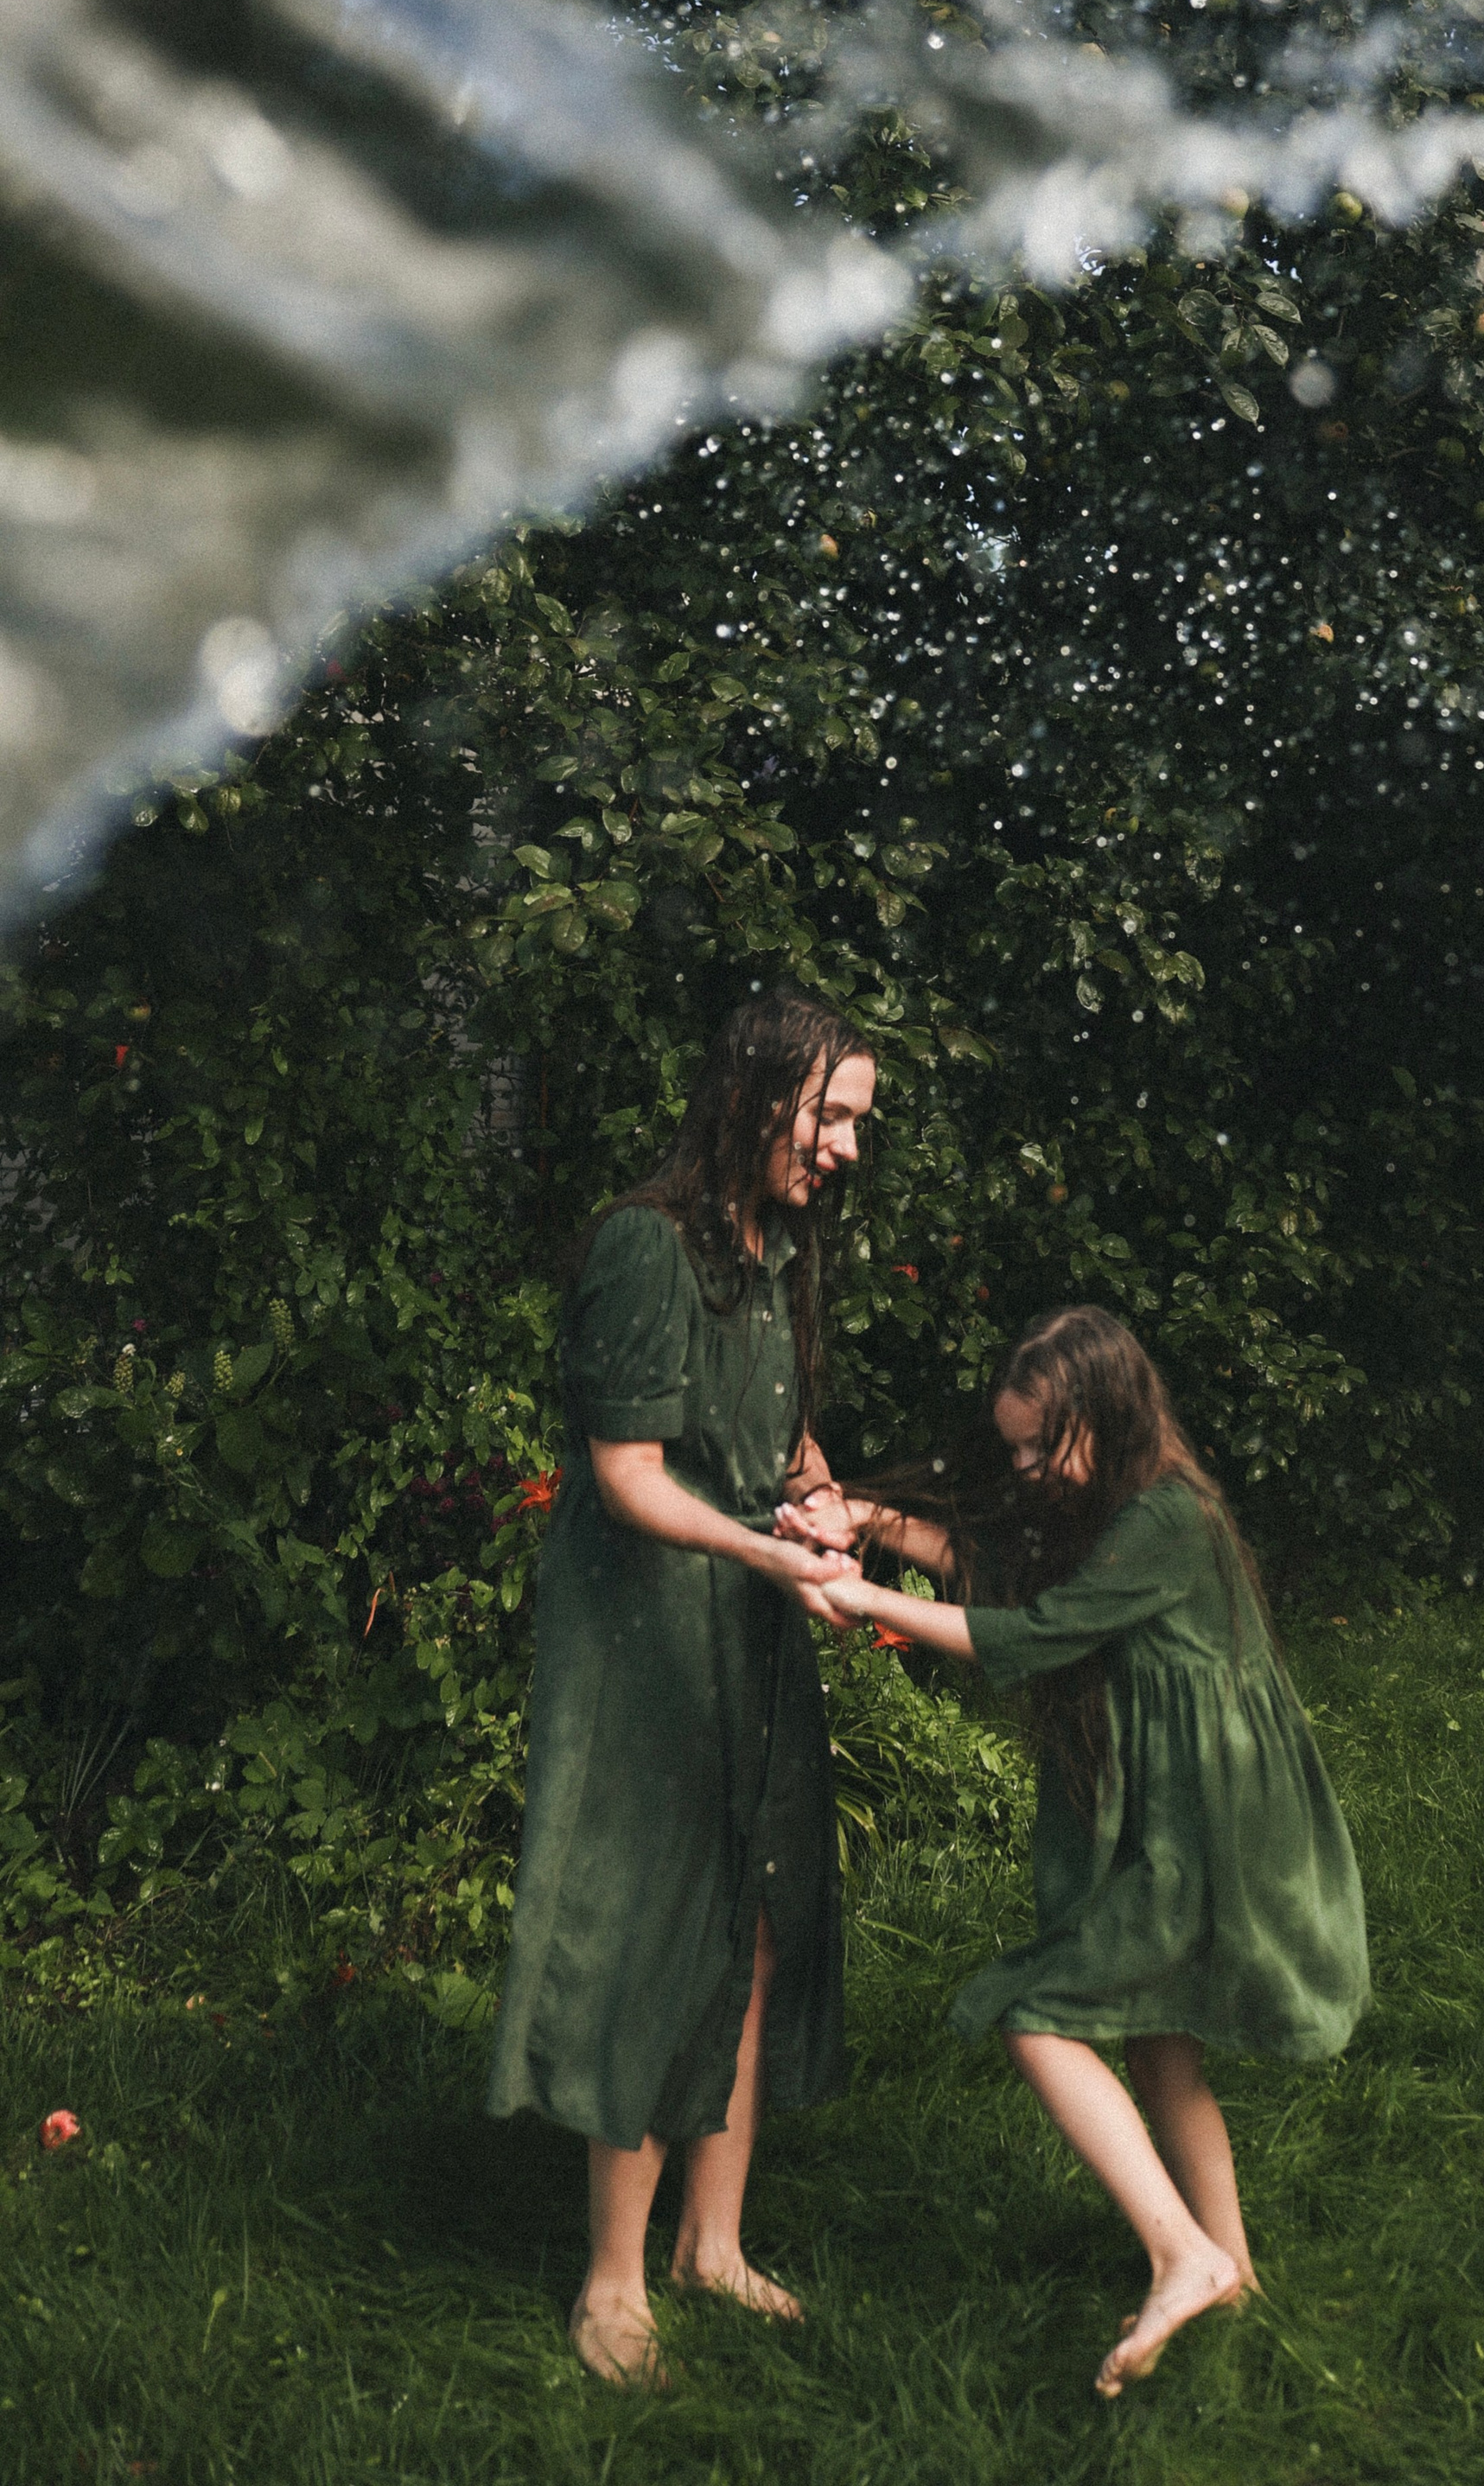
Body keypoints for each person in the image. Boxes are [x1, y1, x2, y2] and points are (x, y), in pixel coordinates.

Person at [777, 1304, 1369, 2398]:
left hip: (1209, 1815)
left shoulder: (1166, 1516)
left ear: (1106, 1415)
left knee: (1038, 2012)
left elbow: (1038, 1627)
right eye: (1009, 1446)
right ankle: (1228, 2269)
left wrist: (863, 1596)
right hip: (1172, 1802)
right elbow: (997, 1570)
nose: (1023, 1466)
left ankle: (1179, 2252)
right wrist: (866, 1518)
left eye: (1038, 1445)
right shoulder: (1106, 1496)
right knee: (1153, 2036)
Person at [487, 990, 874, 2385]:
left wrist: (827, 1505)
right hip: (649, 1631)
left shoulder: (771, 1255)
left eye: (855, 1126)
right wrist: (767, 1549)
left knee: (761, 1919)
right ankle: (610, 2285)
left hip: (749, 1616)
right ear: (754, 1095)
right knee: (660, 1929)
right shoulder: (645, 1248)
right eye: (826, 1114)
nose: (841, 1146)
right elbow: (631, 1478)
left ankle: (712, 2248)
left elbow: (777, 1423)